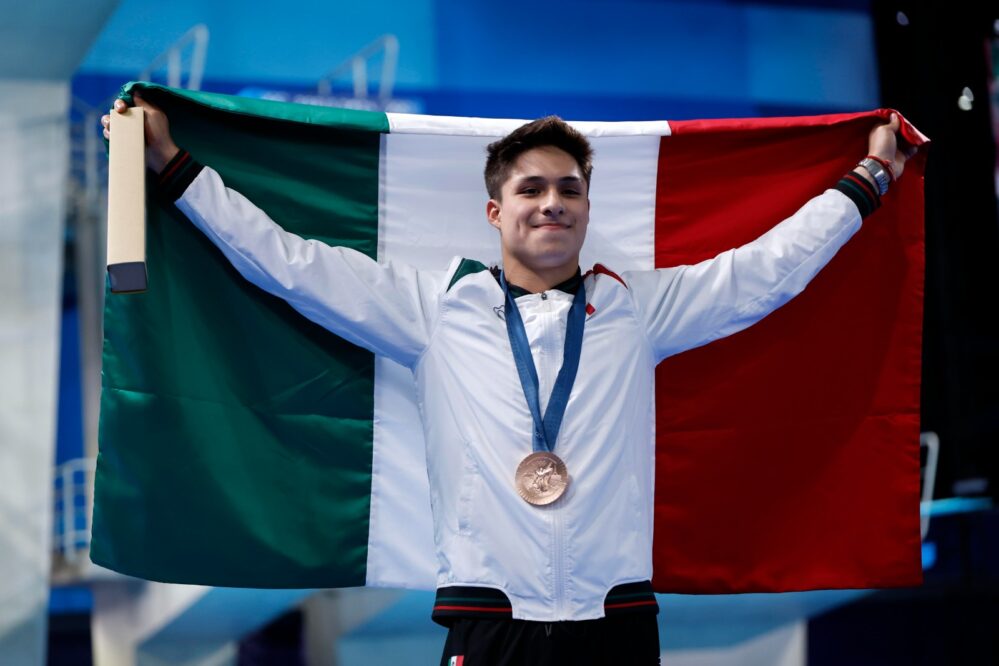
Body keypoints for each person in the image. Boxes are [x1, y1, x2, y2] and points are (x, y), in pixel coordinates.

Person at [103, 95, 915, 665]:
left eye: (569, 189)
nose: (551, 204)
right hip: (488, 617)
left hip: (616, 613)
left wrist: (868, 180)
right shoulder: (431, 310)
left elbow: (767, 270)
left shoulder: (641, 308)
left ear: (588, 208)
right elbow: (289, 265)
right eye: (530, 188)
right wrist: (172, 165)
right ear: (496, 212)